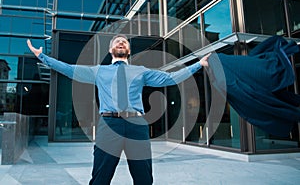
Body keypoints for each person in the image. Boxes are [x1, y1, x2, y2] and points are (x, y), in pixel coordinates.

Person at [27, 34, 209, 185]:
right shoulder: (99, 71)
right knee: (100, 177)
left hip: (136, 125)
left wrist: (198, 65)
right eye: (117, 42)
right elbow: (68, 69)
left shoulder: (141, 71)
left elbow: (171, 78)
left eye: (124, 42)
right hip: (109, 124)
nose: (121, 43)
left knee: (144, 179)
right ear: (110, 50)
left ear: (129, 51)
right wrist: (42, 57)